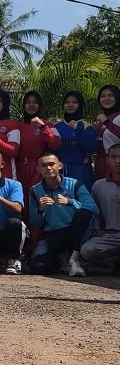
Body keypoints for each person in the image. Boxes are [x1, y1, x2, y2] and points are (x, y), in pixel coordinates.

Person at [28, 151, 98, 277]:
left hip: (74, 231)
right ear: (38, 169)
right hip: (53, 234)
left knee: (84, 213)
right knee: (37, 266)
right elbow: (35, 224)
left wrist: (70, 202)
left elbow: (93, 208)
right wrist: (40, 210)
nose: (48, 168)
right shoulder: (35, 190)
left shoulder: (75, 184)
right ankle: (63, 261)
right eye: (44, 165)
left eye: (52, 164)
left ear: (60, 165)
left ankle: (75, 257)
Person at [79, 143, 120, 271]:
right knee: (87, 250)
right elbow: (95, 211)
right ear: (107, 160)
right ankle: (115, 263)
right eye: (113, 157)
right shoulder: (99, 185)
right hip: (111, 236)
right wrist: (97, 228)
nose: (117, 161)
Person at [14, 91, 61, 194]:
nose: (31, 105)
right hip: (20, 169)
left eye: (35, 102)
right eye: (28, 102)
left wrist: (43, 126)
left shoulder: (48, 125)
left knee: (39, 197)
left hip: (40, 169)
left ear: (39, 105)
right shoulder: (17, 126)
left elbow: (55, 144)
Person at [54, 90, 97, 188]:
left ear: (80, 105)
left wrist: (77, 129)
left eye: (74, 102)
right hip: (60, 170)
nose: (70, 105)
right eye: (67, 102)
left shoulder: (86, 125)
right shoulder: (56, 126)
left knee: (81, 196)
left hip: (82, 171)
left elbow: (92, 147)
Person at [94, 84, 120, 180]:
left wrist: (107, 122)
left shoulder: (117, 117)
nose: (106, 98)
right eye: (103, 96)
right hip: (101, 168)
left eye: (111, 95)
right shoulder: (100, 121)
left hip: (116, 167)